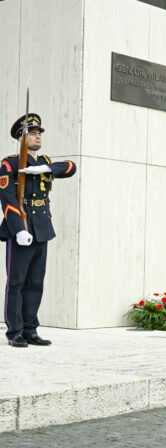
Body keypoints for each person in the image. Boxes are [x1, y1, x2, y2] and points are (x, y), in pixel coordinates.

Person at [2, 114, 77, 347]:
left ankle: (30, 329)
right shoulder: (10, 163)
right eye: (33, 133)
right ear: (22, 138)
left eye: (39, 133)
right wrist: (18, 230)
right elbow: (6, 198)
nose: (38, 136)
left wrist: (44, 168)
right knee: (17, 282)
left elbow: (71, 167)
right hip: (22, 229)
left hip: (42, 228)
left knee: (36, 282)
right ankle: (15, 331)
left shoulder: (45, 161)